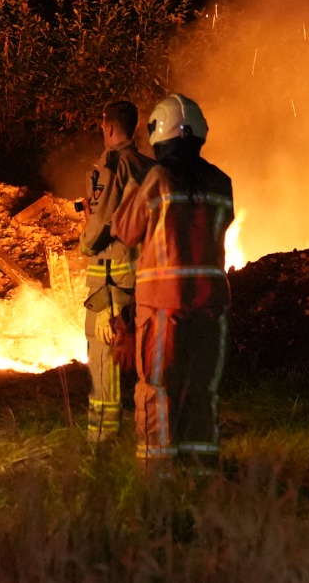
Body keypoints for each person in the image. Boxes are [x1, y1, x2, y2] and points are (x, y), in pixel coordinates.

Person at [112, 94, 234, 473]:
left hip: (163, 305)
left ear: (158, 135)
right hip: (212, 305)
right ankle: (201, 471)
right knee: (201, 388)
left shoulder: (158, 179)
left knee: (158, 388)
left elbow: (125, 229)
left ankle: (158, 474)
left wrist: (135, 183)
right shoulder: (221, 182)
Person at [79, 99, 154, 443]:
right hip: (146, 279)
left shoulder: (111, 166)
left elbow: (101, 220)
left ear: (107, 127)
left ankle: (102, 445)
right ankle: (152, 436)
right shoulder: (151, 167)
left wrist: (85, 242)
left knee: (103, 357)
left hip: (110, 283)